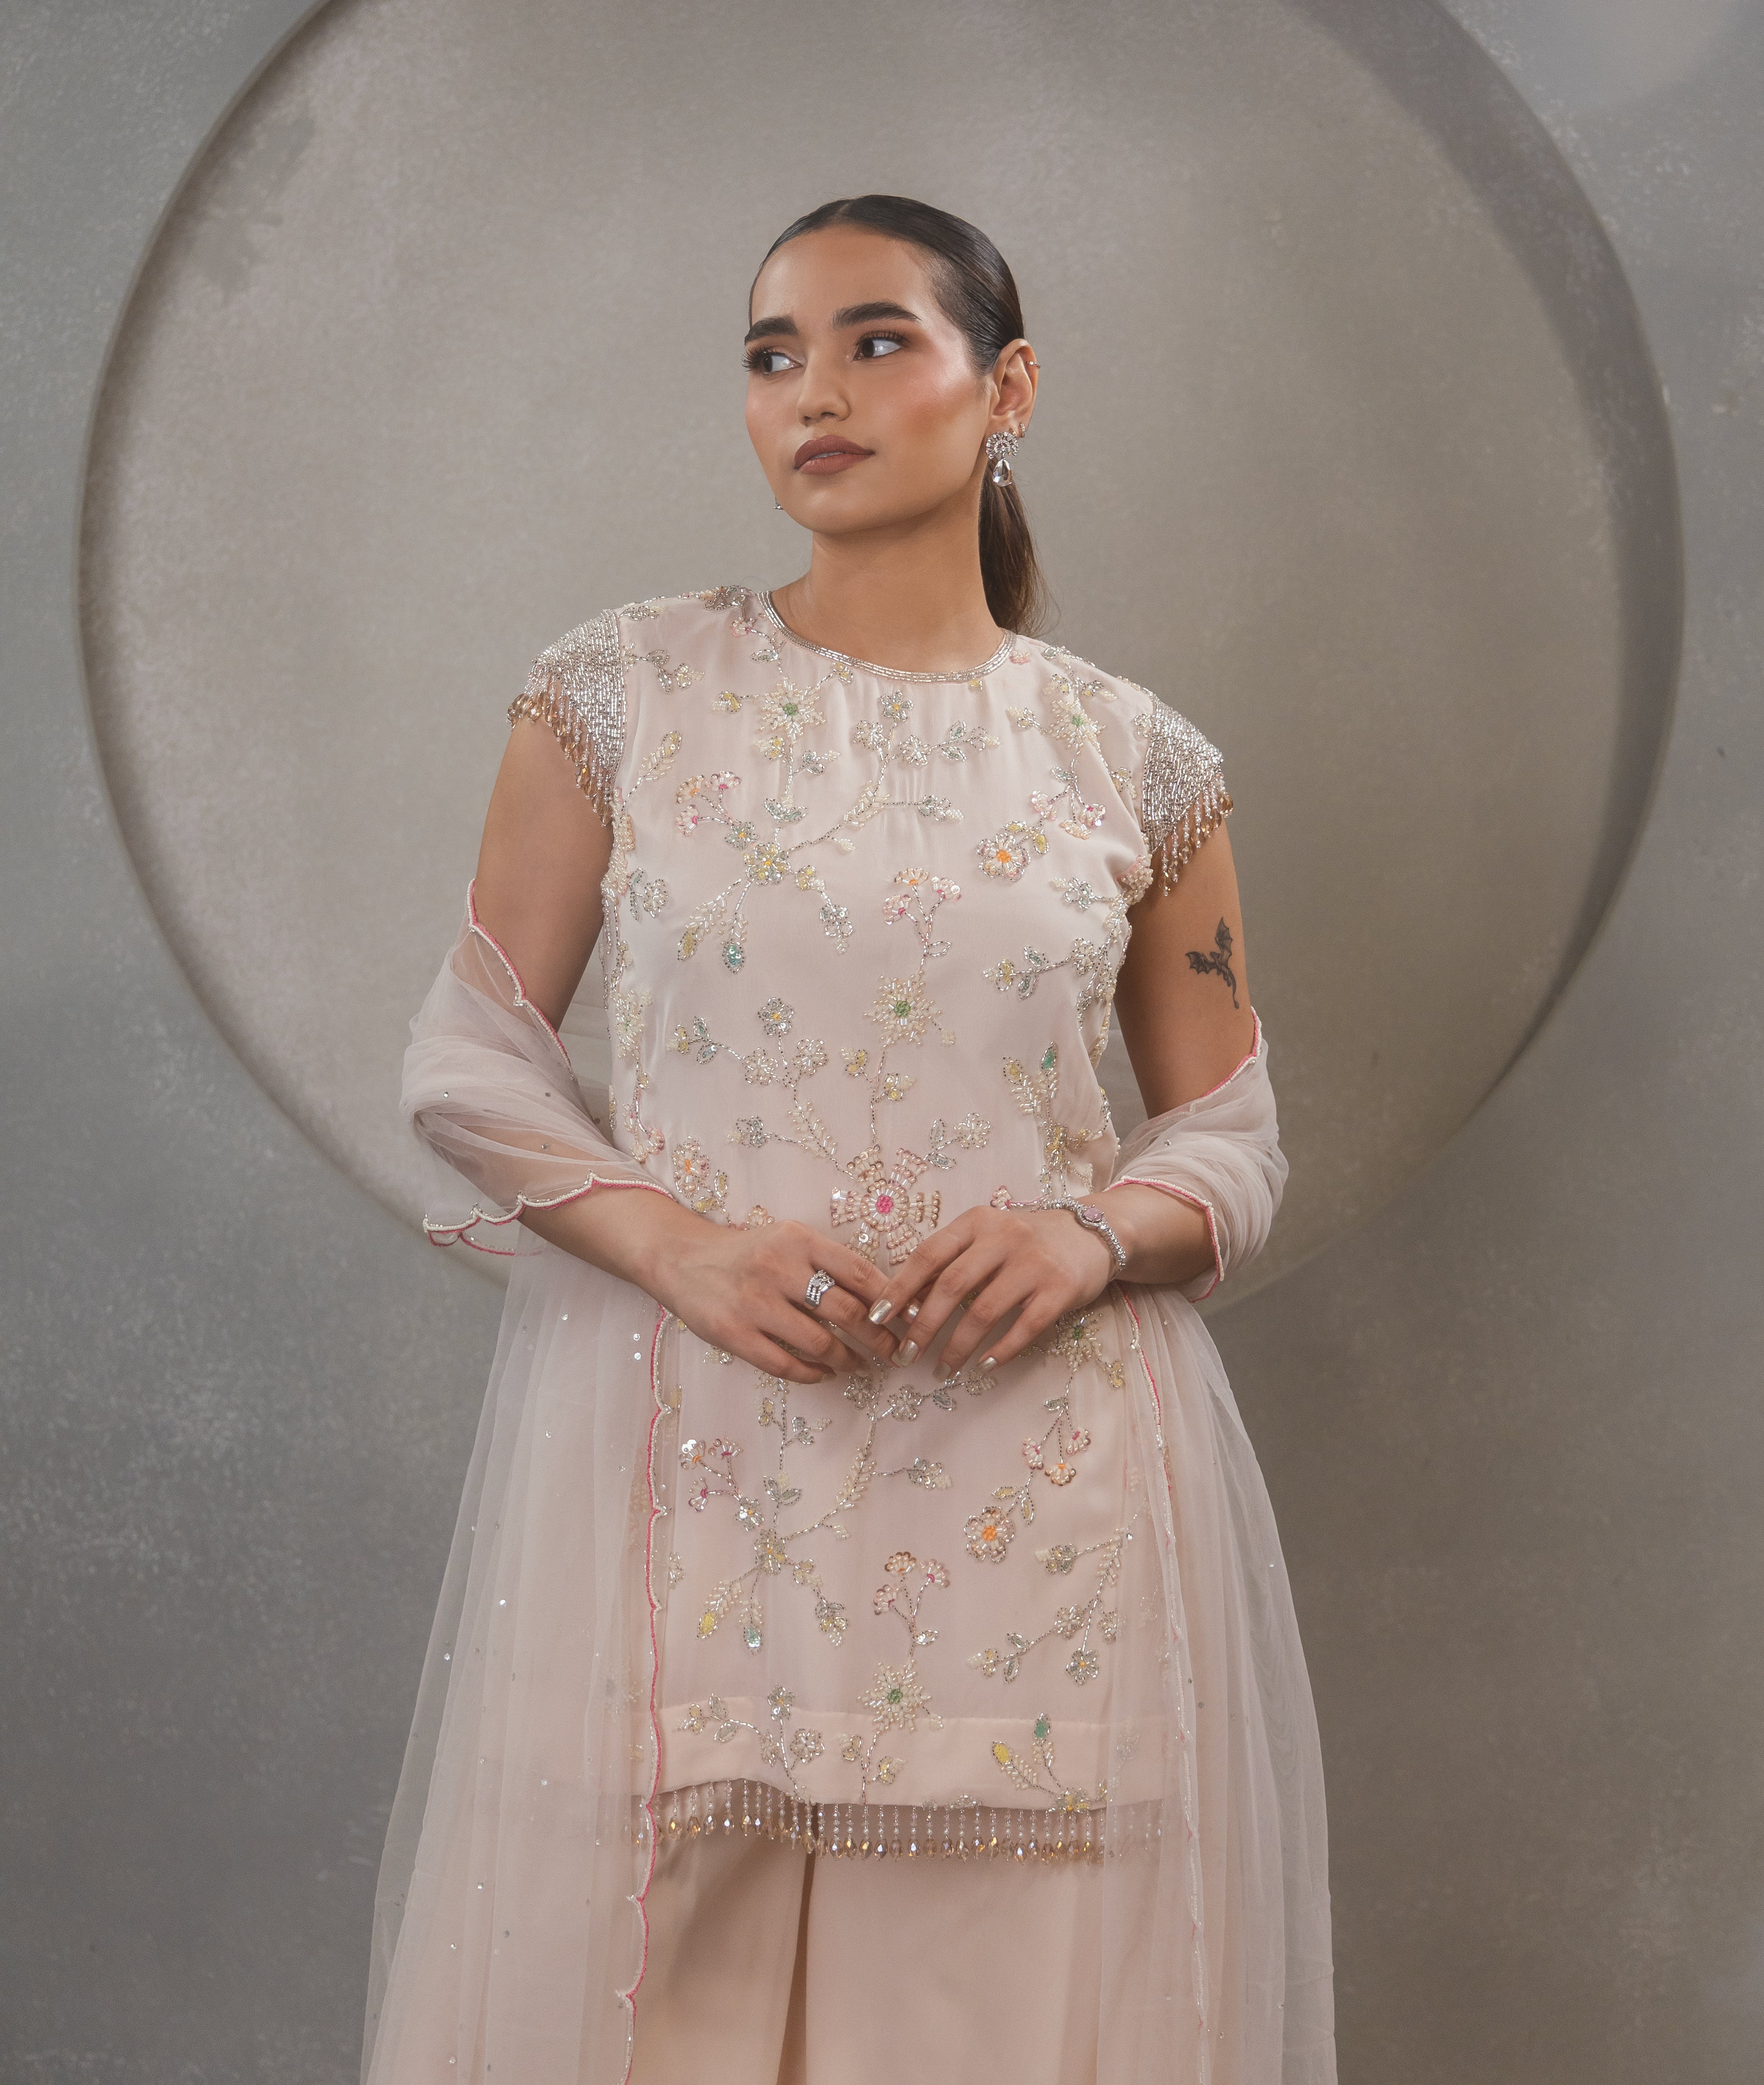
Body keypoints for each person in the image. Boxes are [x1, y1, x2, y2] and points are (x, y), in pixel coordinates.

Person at [362, 196, 1335, 2085]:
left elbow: (1229, 1132)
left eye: (876, 340)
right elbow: (468, 1057)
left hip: (1036, 1485)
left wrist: (1089, 1234)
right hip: (695, 1459)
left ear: (1008, 388)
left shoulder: (1131, 761)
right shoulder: (622, 695)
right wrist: (676, 1246)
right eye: (771, 354)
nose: (813, 392)